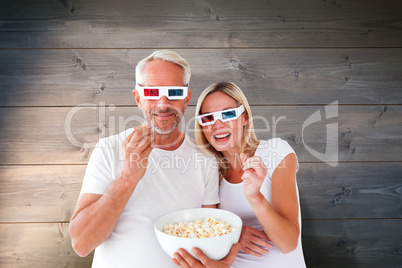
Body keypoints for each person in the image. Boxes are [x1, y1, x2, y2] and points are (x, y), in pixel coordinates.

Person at [69, 50, 235, 267]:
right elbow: (82, 243)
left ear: (186, 98)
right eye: (152, 92)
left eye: (174, 92)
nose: (163, 103)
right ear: (138, 98)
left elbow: (208, 238)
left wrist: (227, 253)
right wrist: (128, 177)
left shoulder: (205, 159)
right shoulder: (108, 150)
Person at [173, 82, 306, 267]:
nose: (217, 125)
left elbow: (289, 243)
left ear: (244, 117)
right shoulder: (208, 170)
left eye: (227, 114)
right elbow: (202, 231)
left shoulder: (276, 152)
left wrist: (255, 198)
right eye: (208, 118)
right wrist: (233, 234)